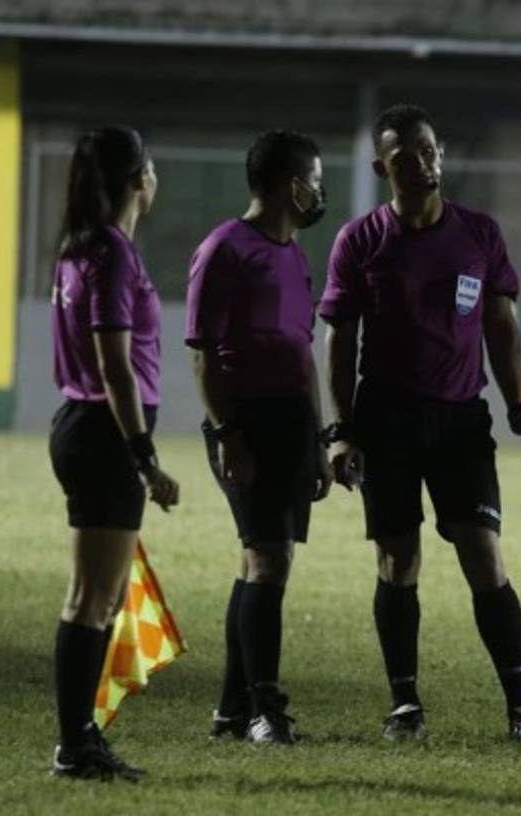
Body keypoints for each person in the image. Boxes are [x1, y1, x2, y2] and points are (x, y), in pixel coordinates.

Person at [319, 103, 521, 744]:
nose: (421, 163)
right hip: (386, 421)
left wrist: (518, 405)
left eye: (429, 150)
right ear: (381, 167)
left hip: (460, 421)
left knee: (483, 552)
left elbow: (500, 326)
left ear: (441, 153)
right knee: (398, 561)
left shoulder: (478, 233)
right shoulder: (360, 240)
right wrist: (341, 429)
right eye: (404, 156)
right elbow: (339, 341)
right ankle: (405, 706)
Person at [185, 130, 334, 744]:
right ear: (291, 186)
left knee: (262, 562)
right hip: (246, 420)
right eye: (316, 181)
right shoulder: (226, 249)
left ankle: (232, 708)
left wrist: (320, 439)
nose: (320, 193)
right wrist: (227, 432)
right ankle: (263, 710)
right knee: (266, 559)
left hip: (292, 421)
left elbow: (302, 353)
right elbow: (201, 354)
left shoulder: (293, 254)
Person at [48, 126, 180, 780]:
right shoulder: (113, 254)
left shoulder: (76, 249)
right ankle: (78, 745)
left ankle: (79, 740)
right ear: (138, 180)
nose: (154, 180)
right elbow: (115, 366)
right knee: (95, 597)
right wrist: (144, 456)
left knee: (89, 594)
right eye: (150, 170)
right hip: (105, 433)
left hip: (78, 425)